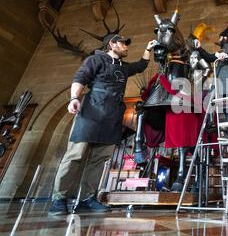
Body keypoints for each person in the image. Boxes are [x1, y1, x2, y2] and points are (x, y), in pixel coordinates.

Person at [48, 34, 154, 216]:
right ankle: (59, 198)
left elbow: (141, 65)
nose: (126, 47)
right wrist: (74, 98)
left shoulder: (124, 67)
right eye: (123, 43)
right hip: (91, 112)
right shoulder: (95, 59)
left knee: (99, 159)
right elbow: (80, 78)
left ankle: (87, 198)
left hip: (112, 117)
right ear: (112, 44)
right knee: (75, 155)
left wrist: (148, 48)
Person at [194, 28, 228, 137]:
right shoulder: (221, 52)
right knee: (227, 106)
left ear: (225, 37)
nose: (219, 40)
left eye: (220, 37)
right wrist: (199, 48)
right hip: (220, 81)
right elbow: (209, 57)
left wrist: (226, 56)